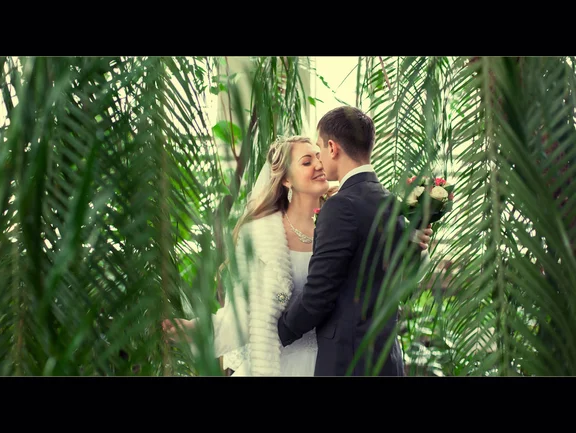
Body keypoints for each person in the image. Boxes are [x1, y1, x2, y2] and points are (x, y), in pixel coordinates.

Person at [163, 133, 431, 376]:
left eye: (318, 156)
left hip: (335, 363)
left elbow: (388, 282)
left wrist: (413, 247)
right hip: (277, 364)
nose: (318, 164)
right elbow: (242, 314)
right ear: (286, 179)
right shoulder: (258, 237)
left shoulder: (349, 221)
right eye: (306, 162)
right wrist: (196, 330)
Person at [277, 105, 424, 376]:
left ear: (332, 148)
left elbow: (318, 294)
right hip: (387, 360)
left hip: (348, 363)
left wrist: (279, 333)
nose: (319, 160)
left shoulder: (340, 207)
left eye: (319, 149)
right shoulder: (393, 203)